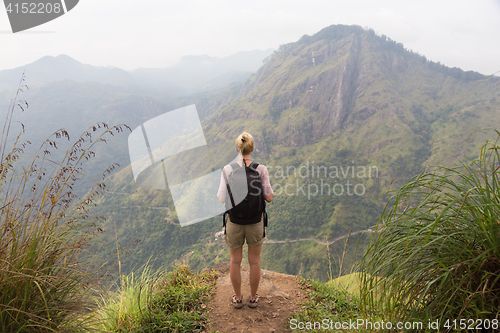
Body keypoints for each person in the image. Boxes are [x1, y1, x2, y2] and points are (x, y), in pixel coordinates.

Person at [217, 132, 274, 309]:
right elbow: (269, 197)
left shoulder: (228, 169)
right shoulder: (261, 169)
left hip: (234, 222)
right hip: (255, 222)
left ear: (237, 148)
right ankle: (254, 298)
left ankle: (238, 298)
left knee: (235, 261)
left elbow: (220, 198)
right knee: (254, 261)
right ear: (253, 148)